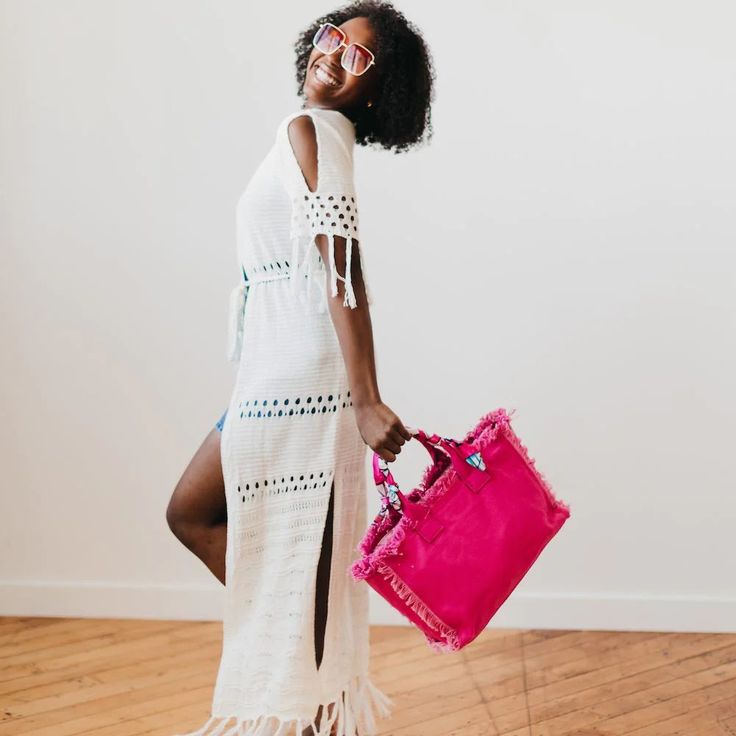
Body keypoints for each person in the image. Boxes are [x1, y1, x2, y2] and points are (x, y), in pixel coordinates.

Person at [166, 2, 435, 734]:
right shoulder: (320, 134)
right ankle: (306, 694)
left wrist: (366, 398)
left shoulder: (312, 131)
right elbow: (333, 264)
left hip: (299, 377)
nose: (334, 54)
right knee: (256, 538)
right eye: (332, 37)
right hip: (276, 369)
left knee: (270, 540)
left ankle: (305, 704)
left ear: (378, 92)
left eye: (358, 56)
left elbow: (339, 263)